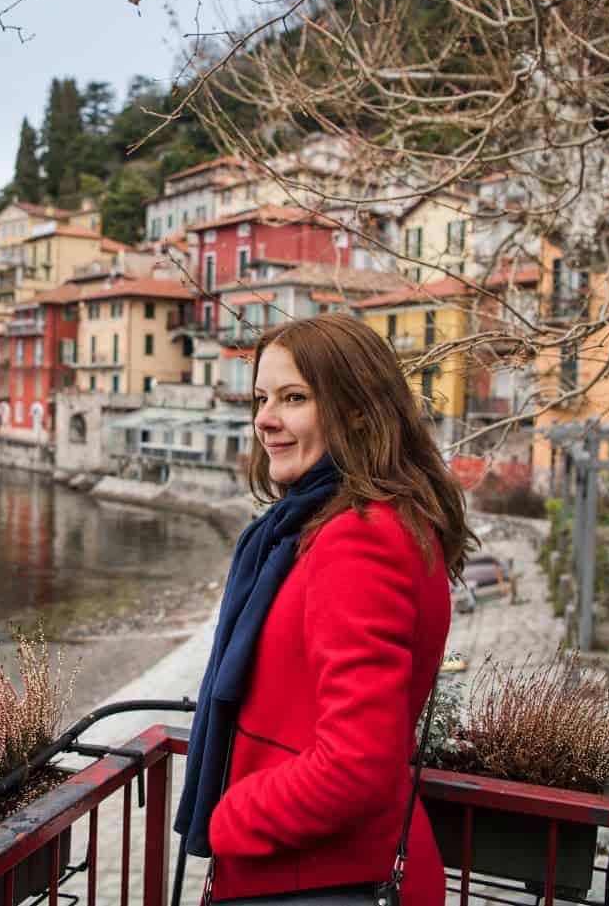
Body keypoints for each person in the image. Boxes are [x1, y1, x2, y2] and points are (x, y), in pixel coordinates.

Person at [174, 314, 474, 905]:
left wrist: (231, 816)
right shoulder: (340, 526)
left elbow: (357, 763)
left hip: (319, 879)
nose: (265, 419)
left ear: (358, 410)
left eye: (294, 398)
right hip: (313, 873)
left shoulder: (358, 538)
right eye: (261, 398)